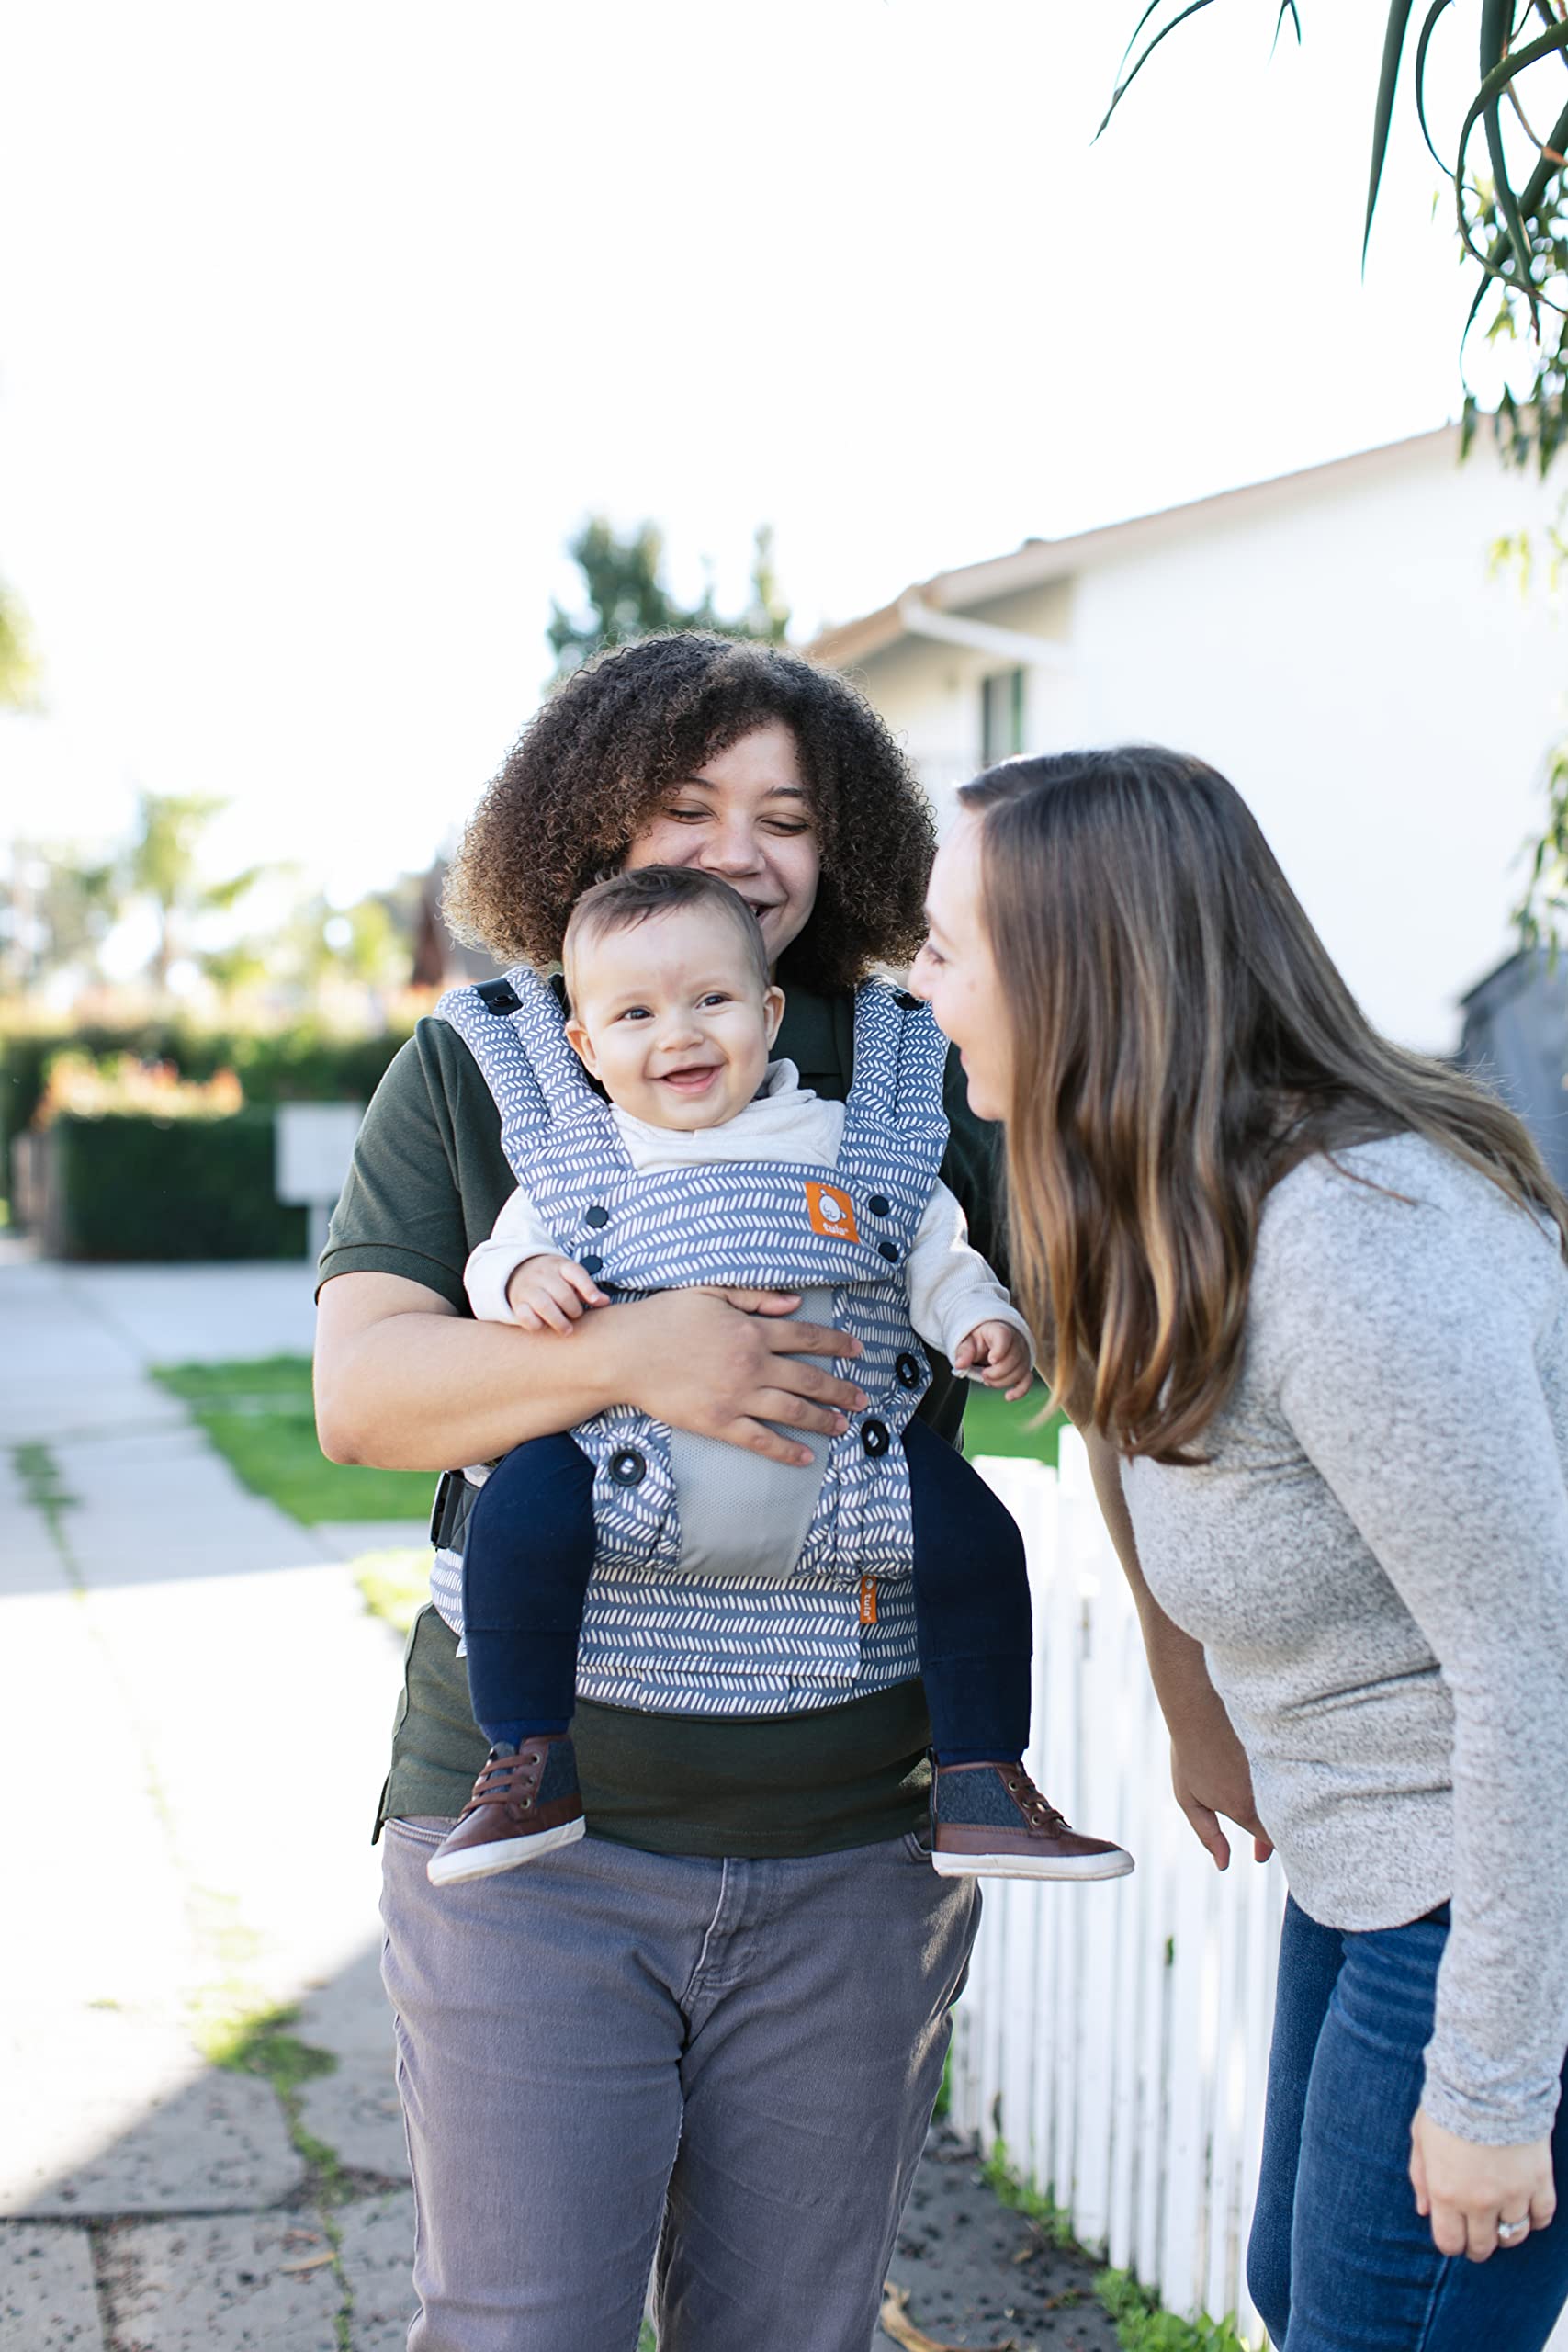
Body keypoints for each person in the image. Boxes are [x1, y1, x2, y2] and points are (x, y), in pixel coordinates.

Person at [314, 635, 1024, 2352]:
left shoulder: (926, 1070)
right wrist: (641, 1355)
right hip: (538, 1857)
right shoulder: (487, 1066)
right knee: (522, 2329)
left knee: (792, 2331)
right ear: (585, 816)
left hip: (855, 1840)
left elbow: (1078, 1333)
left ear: (839, 842)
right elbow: (364, 1395)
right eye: (687, 805)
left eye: (785, 815)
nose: (737, 850)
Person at [912, 743, 1568, 2352]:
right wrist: (1195, 1706)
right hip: (1371, 1859)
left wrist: (1491, 2088)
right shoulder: (1153, 1189)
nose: (914, 985)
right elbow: (1119, 1421)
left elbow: (1536, 1667)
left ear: (1075, 967)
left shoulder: (1350, 1245)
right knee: (1301, 2289)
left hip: (1491, 1881)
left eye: (941, 945)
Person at [424, 860, 1133, 1890]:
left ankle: (981, 1776)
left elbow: (934, 1250)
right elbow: (494, 1259)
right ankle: (527, 1757)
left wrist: (979, 1319)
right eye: (634, 1014)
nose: (678, 1034)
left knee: (978, 1539)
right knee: (517, 1520)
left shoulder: (852, 1145)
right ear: (582, 1045)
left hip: (846, 1459)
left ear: (766, 1010)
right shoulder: (577, 1160)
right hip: (616, 1461)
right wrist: (524, 1277)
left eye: (711, 1000)